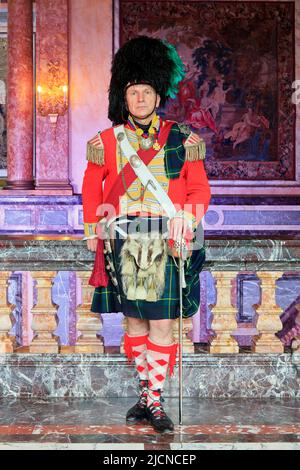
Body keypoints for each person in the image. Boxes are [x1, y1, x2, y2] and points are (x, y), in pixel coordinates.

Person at [82, 36, 211, 433]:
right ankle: (148, 396)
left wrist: (186, 219)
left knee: (161, 324)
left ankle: (152, 400)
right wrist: (93, 229)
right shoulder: (106, 142)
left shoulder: (181, 139)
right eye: (133, 92)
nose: (139, 99)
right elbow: (91, 188)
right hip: (123, 239)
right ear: (125, 97)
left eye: (146, 92)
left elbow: (199, 190)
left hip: (167, 241)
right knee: (134, 323)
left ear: (158, 95)